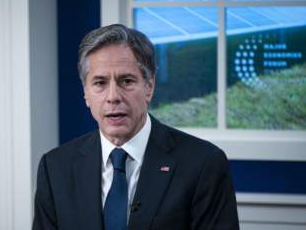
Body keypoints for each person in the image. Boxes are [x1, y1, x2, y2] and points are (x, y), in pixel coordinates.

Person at [32, 24, 239, 230]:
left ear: (149, 87)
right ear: (86, 93)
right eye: (100, 83)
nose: (113, 97)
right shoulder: (55, 168)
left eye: (127, 81)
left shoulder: (204, 164)